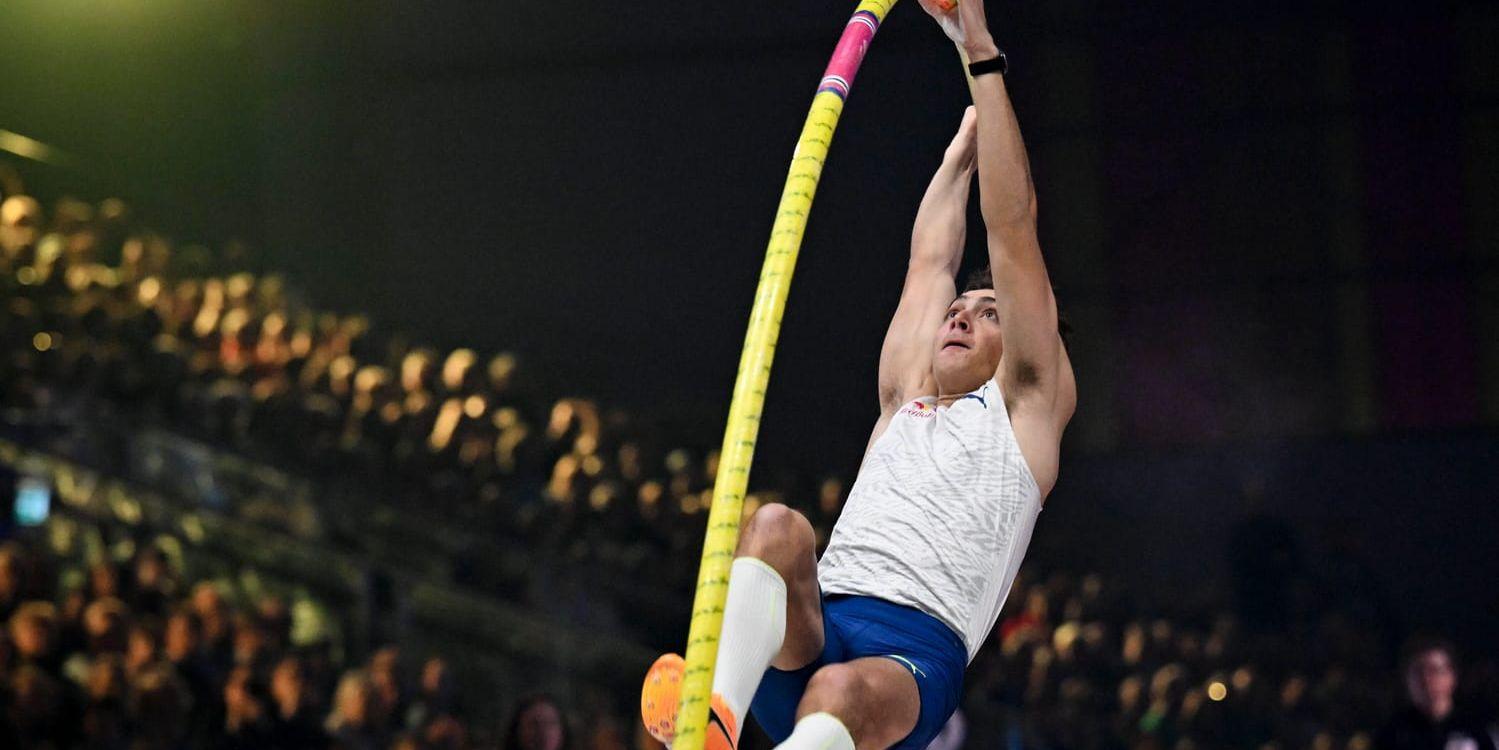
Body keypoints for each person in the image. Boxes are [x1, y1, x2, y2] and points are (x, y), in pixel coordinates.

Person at [640, 1, 1076, 748]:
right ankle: (711, 717)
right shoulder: (905, 396)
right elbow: (930, 260)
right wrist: (957, 158)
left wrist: (978, 55)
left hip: (905, 662)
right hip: (818, 622)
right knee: (775, 527)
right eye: (959, 308)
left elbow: (1011, 225)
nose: (961, 316)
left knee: (836, 690)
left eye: (989, 312)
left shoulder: (1026, 410)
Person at [1376, 638, 1497, 750]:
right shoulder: (1394, 733)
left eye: (1434, 670)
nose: (1426, 679)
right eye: (1418, 672)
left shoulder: (1475, 728)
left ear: (1452, 677)